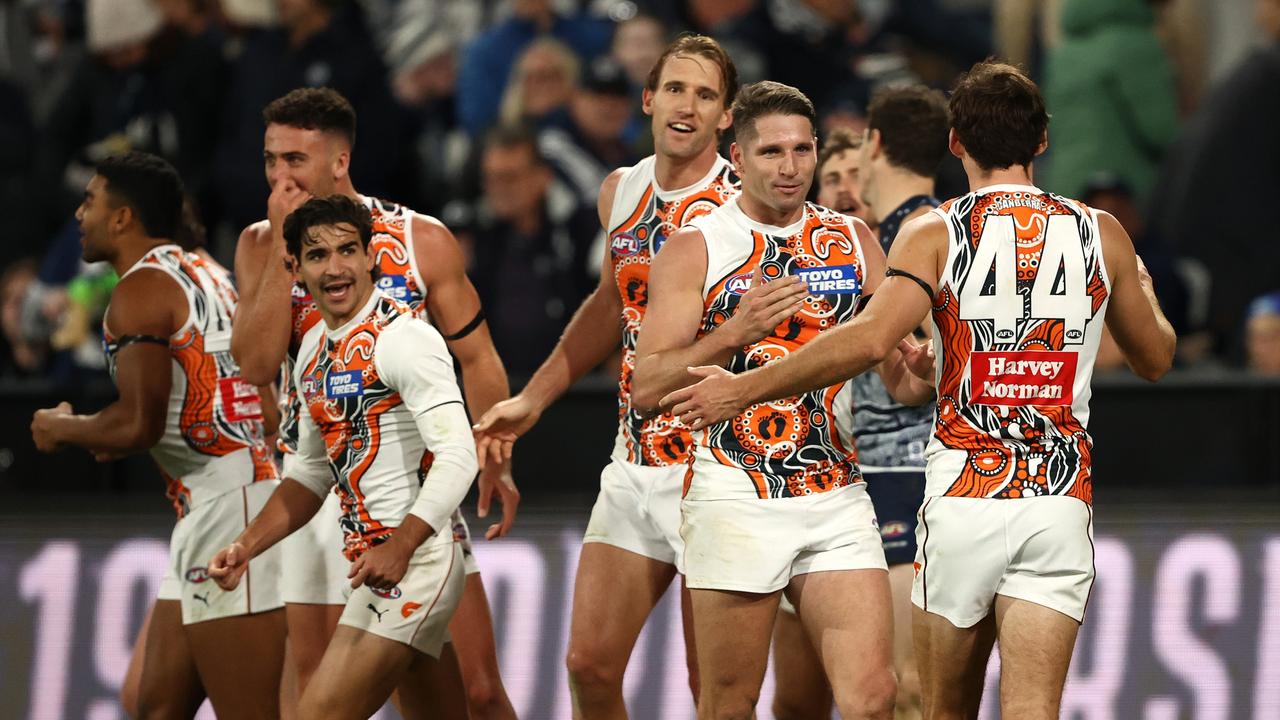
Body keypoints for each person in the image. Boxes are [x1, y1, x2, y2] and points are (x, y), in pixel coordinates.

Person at [661, 61, 1177, 719]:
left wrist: (745, 389)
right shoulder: (1098, 233)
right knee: (1032, 709)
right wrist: (1150, 298)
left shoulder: (937, 231)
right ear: (1042, 140)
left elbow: (869, 340)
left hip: (964, 499)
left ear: (956, 143)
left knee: (940, 711)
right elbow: (1156, 358)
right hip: (1056, 501)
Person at [630, 80, 933, 720]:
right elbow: (648, 386)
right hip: (737, 497)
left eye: (801, 150)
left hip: (836, 493)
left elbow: (903, 385)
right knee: (730, 704)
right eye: (771, 153)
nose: (790, 168)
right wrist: (735, 334)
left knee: (873, 698)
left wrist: (925, 369)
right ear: (736, 158)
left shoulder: (854, 241)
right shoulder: (696, 247)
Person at [230, 88, 517, 720]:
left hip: (412, 493)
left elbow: (479, 360)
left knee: (480, 690)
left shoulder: (420, 239)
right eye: (270, 160)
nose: (280, 176)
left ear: (339, 160)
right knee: (316, 683)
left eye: (295, 160)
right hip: (313, 489)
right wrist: (284, 245)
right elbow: (252, 368)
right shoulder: (260, 245)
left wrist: (493, 448)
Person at [473, 35, 738, 716]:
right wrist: (534, 396)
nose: (687, 105)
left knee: (710, 687)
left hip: (718, 470)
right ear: (647, 99)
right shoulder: (620, 190)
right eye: (675, 89)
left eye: (705, 94)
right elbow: (613, 298)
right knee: (589, 666)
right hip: (633, 461)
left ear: (727, 116)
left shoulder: (744, 207)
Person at [30, 151, 285, 718]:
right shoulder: (209, 272)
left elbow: (138, 423)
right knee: (152, 705)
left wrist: (61, 428)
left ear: (123, 218)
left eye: (90, 200)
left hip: (228, 511)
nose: (79, 214)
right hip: (236, 496)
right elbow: (254, 400)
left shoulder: (141, 289)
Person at [209, 195, 477, 719]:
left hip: (415, 564)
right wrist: (246, 546)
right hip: (376, 569)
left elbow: (458, 456)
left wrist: (400, 547)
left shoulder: (407, 340)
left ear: (372, 254)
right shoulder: (311, 348)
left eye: (348, 250)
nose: (335, 268)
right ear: (295, 267)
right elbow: (309, 475)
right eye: (317, 255)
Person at [770, 88, 947, 720]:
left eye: (854, 176)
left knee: (899, 691)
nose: (844, 189)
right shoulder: (802, 265)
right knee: (796, 700)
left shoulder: (907, 254)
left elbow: (913, 371)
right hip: (814, 486)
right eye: (832, 178)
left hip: (902, 477)